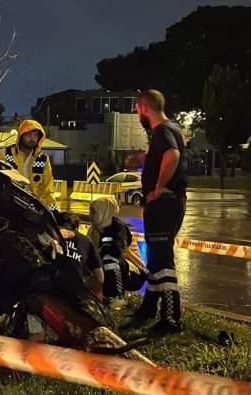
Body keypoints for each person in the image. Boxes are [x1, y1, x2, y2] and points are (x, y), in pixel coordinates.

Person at [133, 89, 188, 335]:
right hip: (169, 204)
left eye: (137, 110)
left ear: (145, 107)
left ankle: (171, 318)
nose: (138, 115)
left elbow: (172, 154)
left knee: (163, 260)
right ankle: (148, 308)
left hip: (164, 204)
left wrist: (158, 188)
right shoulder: (173, 128)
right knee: (155, 258)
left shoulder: (162, 130)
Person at [88, 196, 144, 308]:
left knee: (108, 258)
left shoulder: (118, 227)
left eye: (93, 212)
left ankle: (117, 297)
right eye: (90, 211)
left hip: (133, 272)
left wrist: (100, 251)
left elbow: (117, 249)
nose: (90, 215)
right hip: (110, 267)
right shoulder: (94, 230)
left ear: (104, 211)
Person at [0, 120, 57, 212]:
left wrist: (54, 213)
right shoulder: (5, 153)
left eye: (35, 135)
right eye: (28, 135)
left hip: (32, 209)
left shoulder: (43, 159)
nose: (32, 139)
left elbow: (47, 191)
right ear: (21, 136)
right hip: (9, 206)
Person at [58, 213, 104, 299]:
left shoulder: (53, 232)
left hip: (50, 286)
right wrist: (82, 283)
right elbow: (100, 278)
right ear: (77, 227)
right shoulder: (87, 242)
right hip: (73, 292)